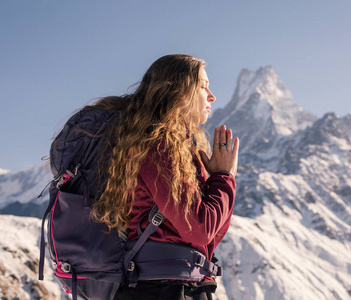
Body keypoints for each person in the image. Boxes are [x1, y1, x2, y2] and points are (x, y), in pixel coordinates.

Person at [86, 54, 239, 300]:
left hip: (176, 284)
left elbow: (208, 238)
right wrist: (223, 177)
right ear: (178, 92)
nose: (212, 96)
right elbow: (199, 229)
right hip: (163, 288)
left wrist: (219, 178)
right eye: (203, 86)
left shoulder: (178, 147)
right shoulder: (158, 145)